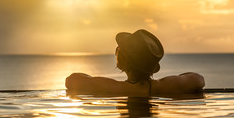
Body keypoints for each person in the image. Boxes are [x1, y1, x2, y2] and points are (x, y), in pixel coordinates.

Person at [65, 29, 205, 97]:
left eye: (119, 51)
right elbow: (199, 79)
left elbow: (71, 80)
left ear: (122, 62)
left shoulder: (113, 88)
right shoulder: (165, 86)